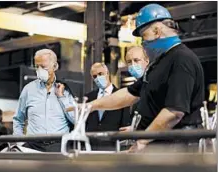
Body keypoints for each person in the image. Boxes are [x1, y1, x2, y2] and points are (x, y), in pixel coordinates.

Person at [82, 4, 205, 153]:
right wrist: (90, 106)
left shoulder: (181, 59)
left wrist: (142, 141)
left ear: (157, 31)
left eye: (144, 36)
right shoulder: (158, 63)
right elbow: (129, 94)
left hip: (176, 149)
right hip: (159, 145)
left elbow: (174, 112)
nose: (143, 43)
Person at [13, 49, 75, 152]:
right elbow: (18, 119)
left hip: (58, 147)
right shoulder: (28, 89)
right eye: (37, 67)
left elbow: (75, 119)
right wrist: (20, 144)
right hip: (33, 146)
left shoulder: (66, 90)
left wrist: (62, 97)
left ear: (55, 66)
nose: (39, 70)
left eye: (43, 67)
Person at [84, 62, 131, 150]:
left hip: (113, 147)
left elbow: (125, 124)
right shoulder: (89, 98)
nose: (98, 78)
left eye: (100, 74)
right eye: (95, 76)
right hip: (91, 148)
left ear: (107, 73)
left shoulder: (121, 96)